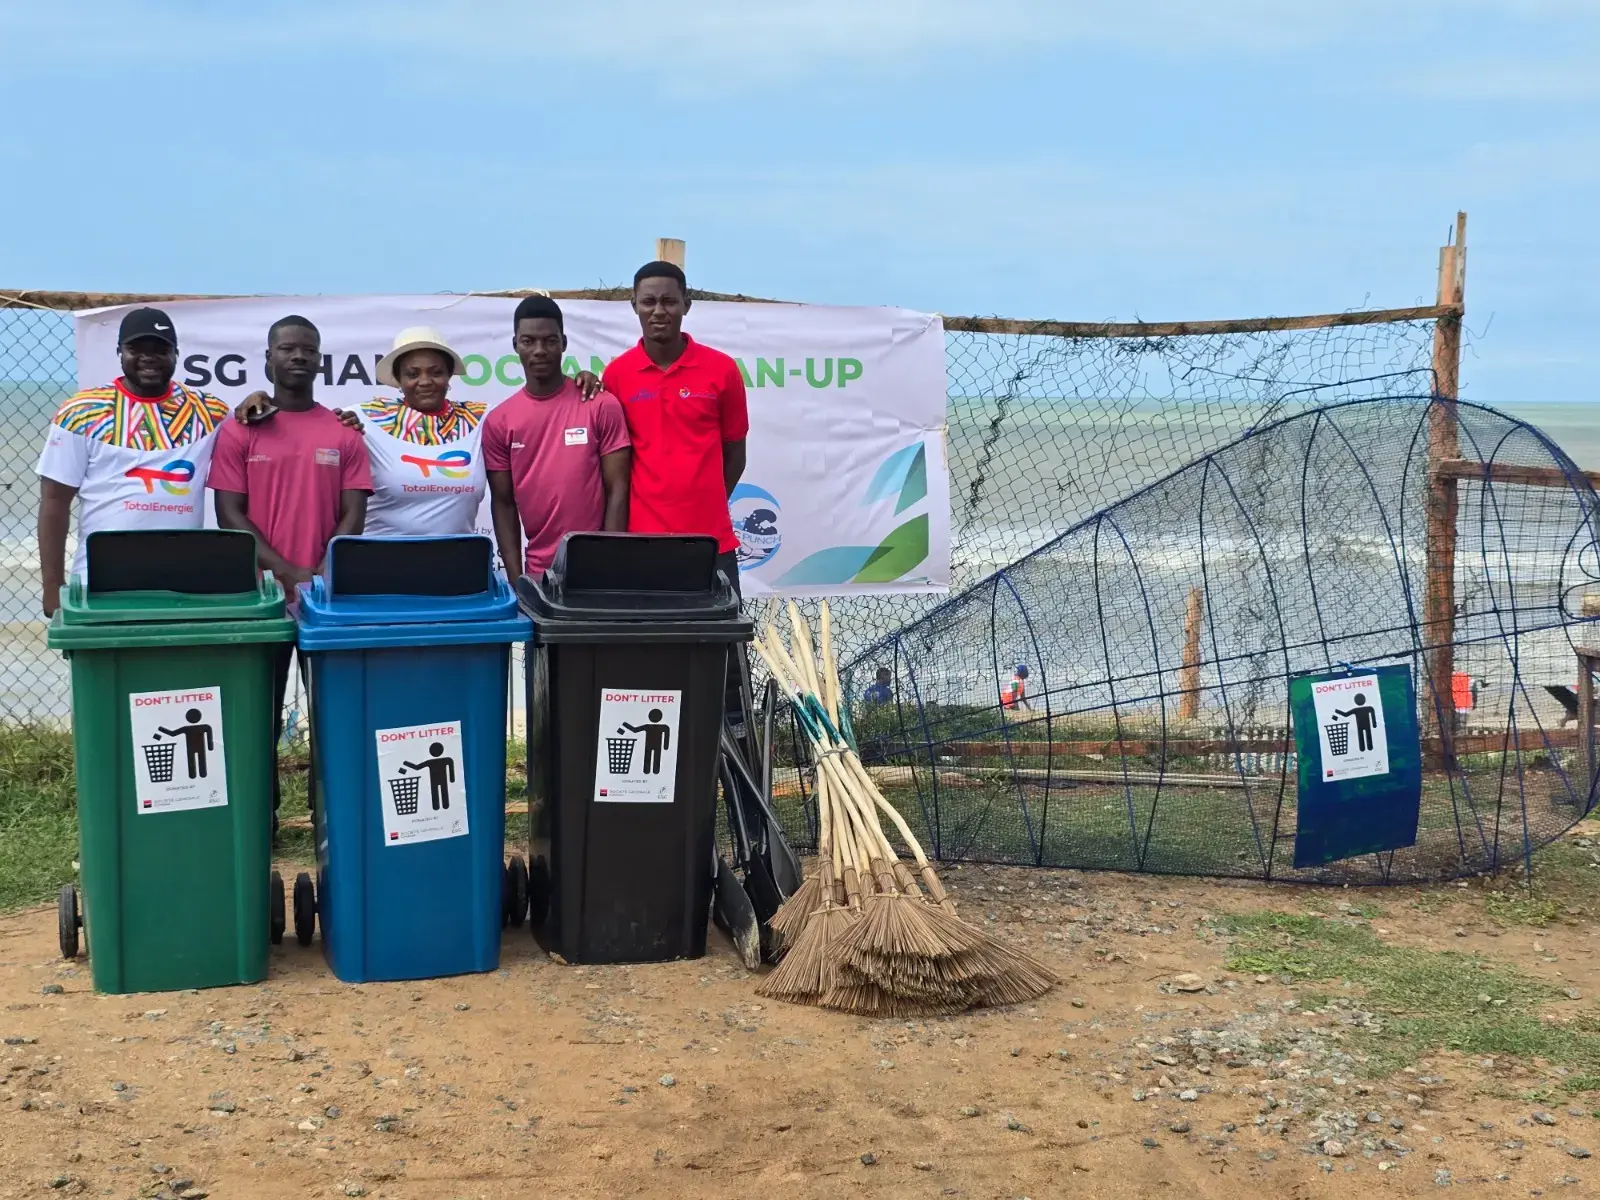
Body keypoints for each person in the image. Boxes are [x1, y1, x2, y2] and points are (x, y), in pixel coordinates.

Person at [208, 315, 373, 831]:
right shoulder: (240, 429)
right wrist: (285, 571)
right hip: (261, 598)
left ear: (320, 360)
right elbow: (229, 514)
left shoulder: (343, 433)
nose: (298, 356)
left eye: (308, 349)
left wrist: (320, 572)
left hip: (327, 600)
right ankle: (263, 817)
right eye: (287, 348)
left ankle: (330, 815)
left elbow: (353, 514)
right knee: (258, 712)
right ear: (268, 358)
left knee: (332, 715)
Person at [35, 307, 233, 616]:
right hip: (99, 585)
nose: (148, 358)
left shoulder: (209, 412)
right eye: (136, 349)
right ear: (119, 352)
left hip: (182, 586)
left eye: (160, 349)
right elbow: (54, 502)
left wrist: (256, 401)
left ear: (177, 354)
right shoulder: (81, 412)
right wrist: (52, 586)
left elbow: (252, 432)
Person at [601, 261, 748, 589]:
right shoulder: (616, 375)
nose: (658, 311)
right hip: (641, 544)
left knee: (723, 626)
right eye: (648, 302)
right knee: (645, 626)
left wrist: (705, 505)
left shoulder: (722, 370)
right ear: (634, 306)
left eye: (669, 301)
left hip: (711, 544)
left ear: (686, 305)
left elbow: (735, 454)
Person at [483, 296, 631, 584]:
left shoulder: (599, 404)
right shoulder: (499, 421)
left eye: (550, 341)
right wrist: (516, 580)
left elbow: (618, 489)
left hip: (596, 572)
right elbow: (503, 503)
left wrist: (610, 563)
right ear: (515, 345)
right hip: (538, 575)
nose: (539, 350)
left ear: (563, 343)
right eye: (528, 341)